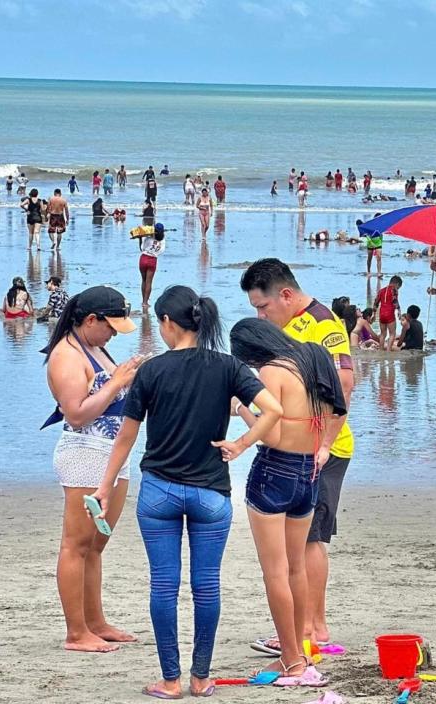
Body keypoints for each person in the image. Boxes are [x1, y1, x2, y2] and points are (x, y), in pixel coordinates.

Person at [93, 286, 282, 697]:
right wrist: (242, 445)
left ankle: (170, 680)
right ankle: (200, 679)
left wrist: (105, 487)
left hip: (159, 491)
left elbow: (126, 437)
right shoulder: (228, 366)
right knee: (206, 586)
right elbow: (275, 411)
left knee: (163, 586)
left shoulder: (152, 370)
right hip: (211, 495)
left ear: (166, 322)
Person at [240, 259, 355, 651]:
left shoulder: (322, 323)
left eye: (263, 307)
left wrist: (323, 444)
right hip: (299, 448)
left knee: (310, 540)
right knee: (302, 542)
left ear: (286, 295)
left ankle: (311, 627)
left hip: (322, 450)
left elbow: (343, 383)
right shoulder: (288, 327)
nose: (261, 315)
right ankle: (302, 624)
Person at [228, 318, 346, 683]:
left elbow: (273, 436)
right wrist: (324, 445)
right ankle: (300, 653)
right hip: (309, 472)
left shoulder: (270, 371)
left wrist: (242, 411)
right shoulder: (314, 357)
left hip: (274, 472)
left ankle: (291, 661)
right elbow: (340, 409)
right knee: (296, 567)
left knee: (275, 571)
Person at [42, 286, 140, 652]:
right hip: (85, 454)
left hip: (113, 453)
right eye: (111, 326)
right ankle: (76, 632)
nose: (114, 333)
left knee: (96, 545)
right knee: (76, 544)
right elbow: (77, 413)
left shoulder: (95, 346)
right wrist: (117, 381)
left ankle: (95, 621)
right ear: (90, 320)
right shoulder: (66, 356)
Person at [138, 222, 166, 309]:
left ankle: (143, 300)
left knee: (143, 280)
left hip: (143, 258)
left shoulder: (148, 238)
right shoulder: (162, 240)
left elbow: (141, 248)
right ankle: (145, 302)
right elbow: (161, 251)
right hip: (153, 260)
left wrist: (140, 239)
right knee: (149, 282)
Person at [374, 275, 402, 349]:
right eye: (398, 287)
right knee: (392, 334)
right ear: (397, 284)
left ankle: (381, 349)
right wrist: (399, 311)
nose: (398, 289)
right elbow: (395, 301)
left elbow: (376, 302)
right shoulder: (394, 290)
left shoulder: (381, 290)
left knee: (383, 334)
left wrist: (374, 314)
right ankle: (388, 351)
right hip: (389, 313)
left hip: (382, 313)